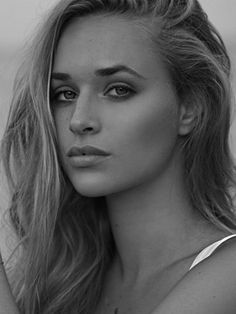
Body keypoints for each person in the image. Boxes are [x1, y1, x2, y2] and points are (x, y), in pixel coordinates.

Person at [0, 0, 236, 313]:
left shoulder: (228, 273)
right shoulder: (63, 283)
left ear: (191, 108)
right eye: (65, 94)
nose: (78, 120)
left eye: (118, 89)